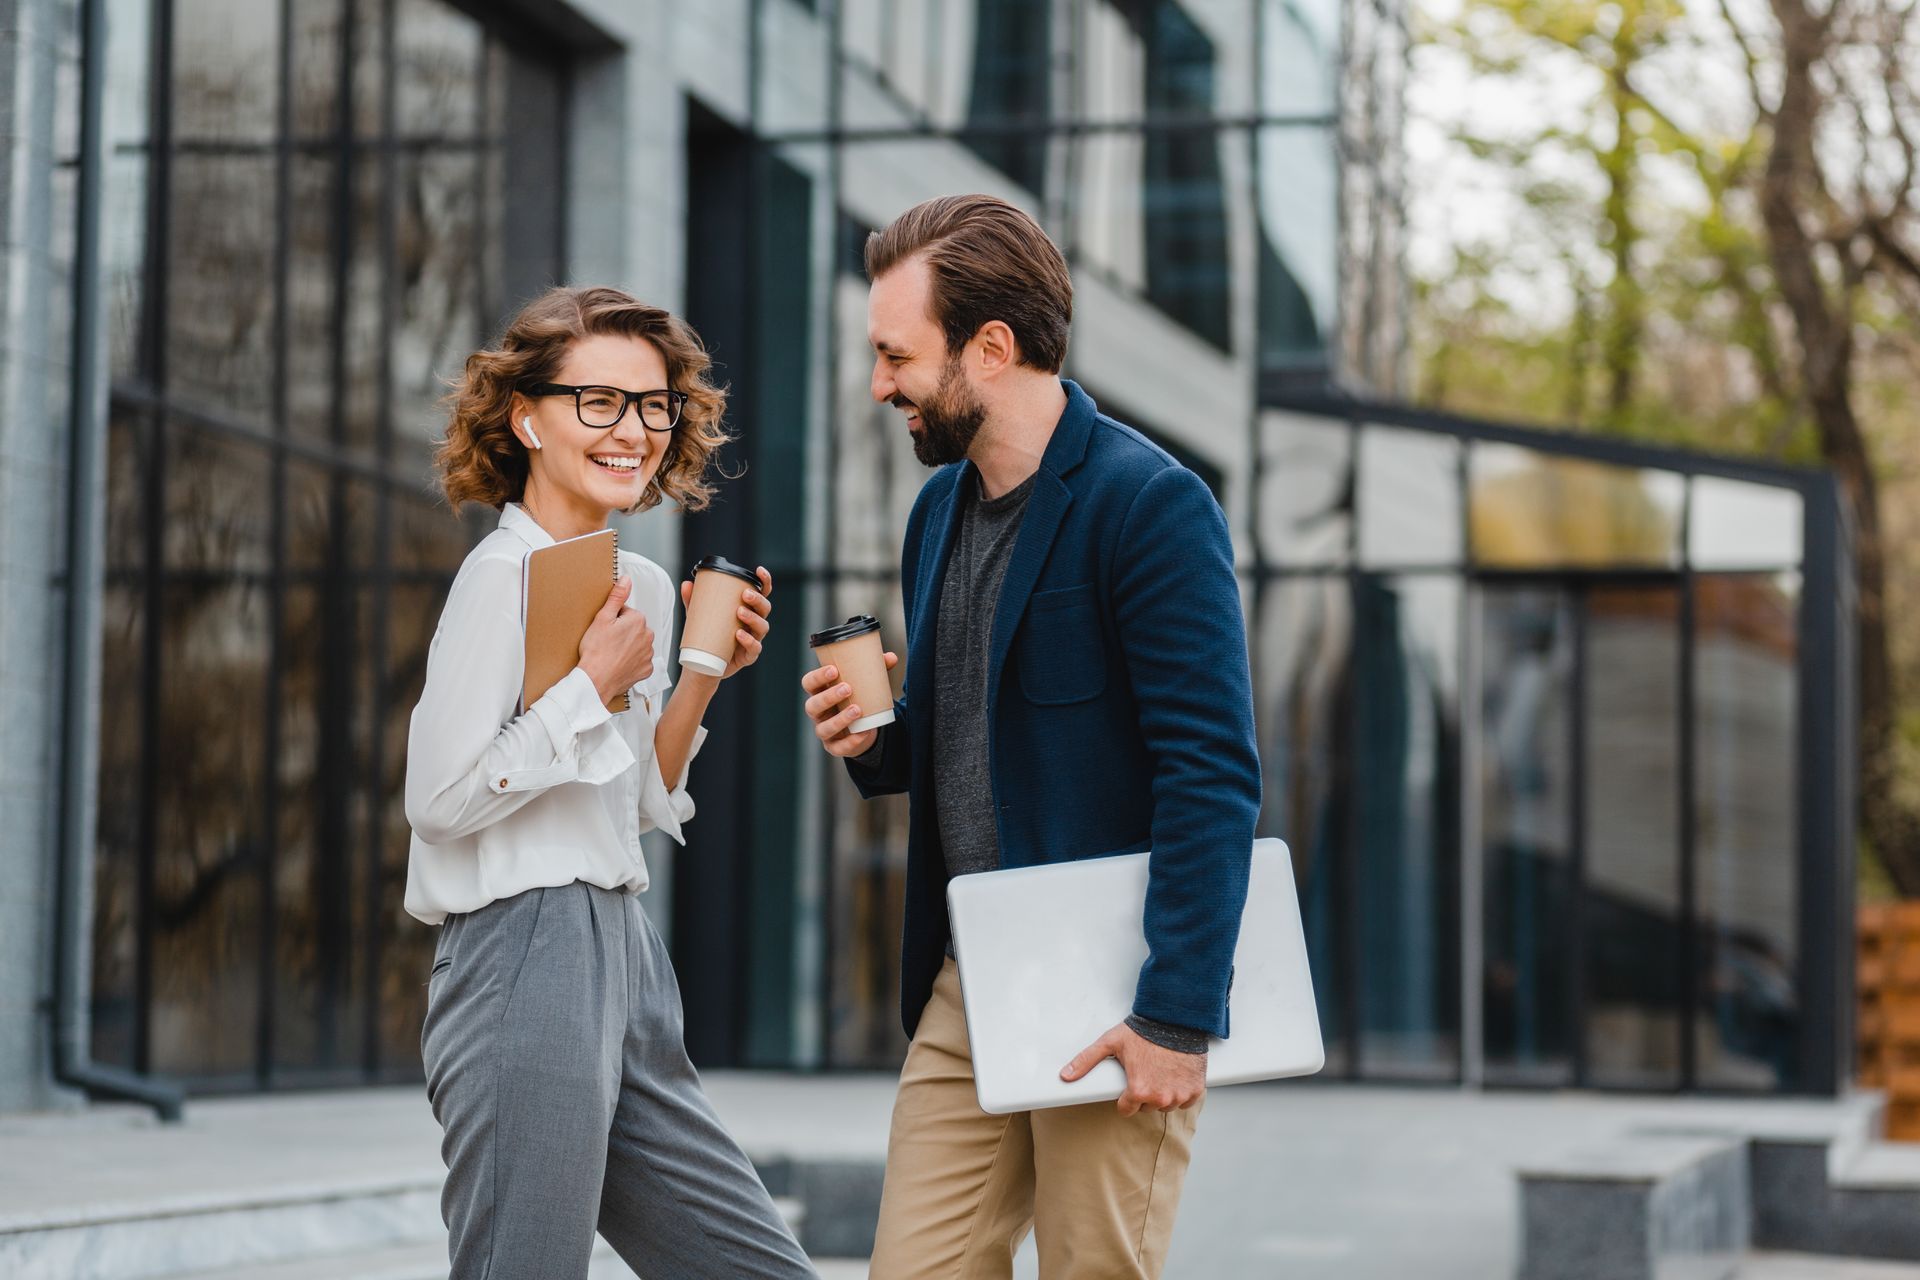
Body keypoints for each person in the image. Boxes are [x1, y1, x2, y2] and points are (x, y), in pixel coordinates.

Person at [800, 195, 1261, 1279]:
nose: (879, 386)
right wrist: (878, 742)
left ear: (991, 348)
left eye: (895, 355)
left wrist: (1178, 1011)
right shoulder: (937, 512)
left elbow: (1213, 771)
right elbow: (987, 740)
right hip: (973, 974)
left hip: (1116, 983)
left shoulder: (1151, 505)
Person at [404, 285, 814, 1280]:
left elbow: (633, 806)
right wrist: (589, 684)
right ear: (526, 416)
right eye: (599, 401)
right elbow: (439, 797)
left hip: (623, 955)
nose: (632, 429)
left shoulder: (628, 587)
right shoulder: (499, 578)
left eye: (653, 405)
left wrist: (703, 676)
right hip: (520, 948)